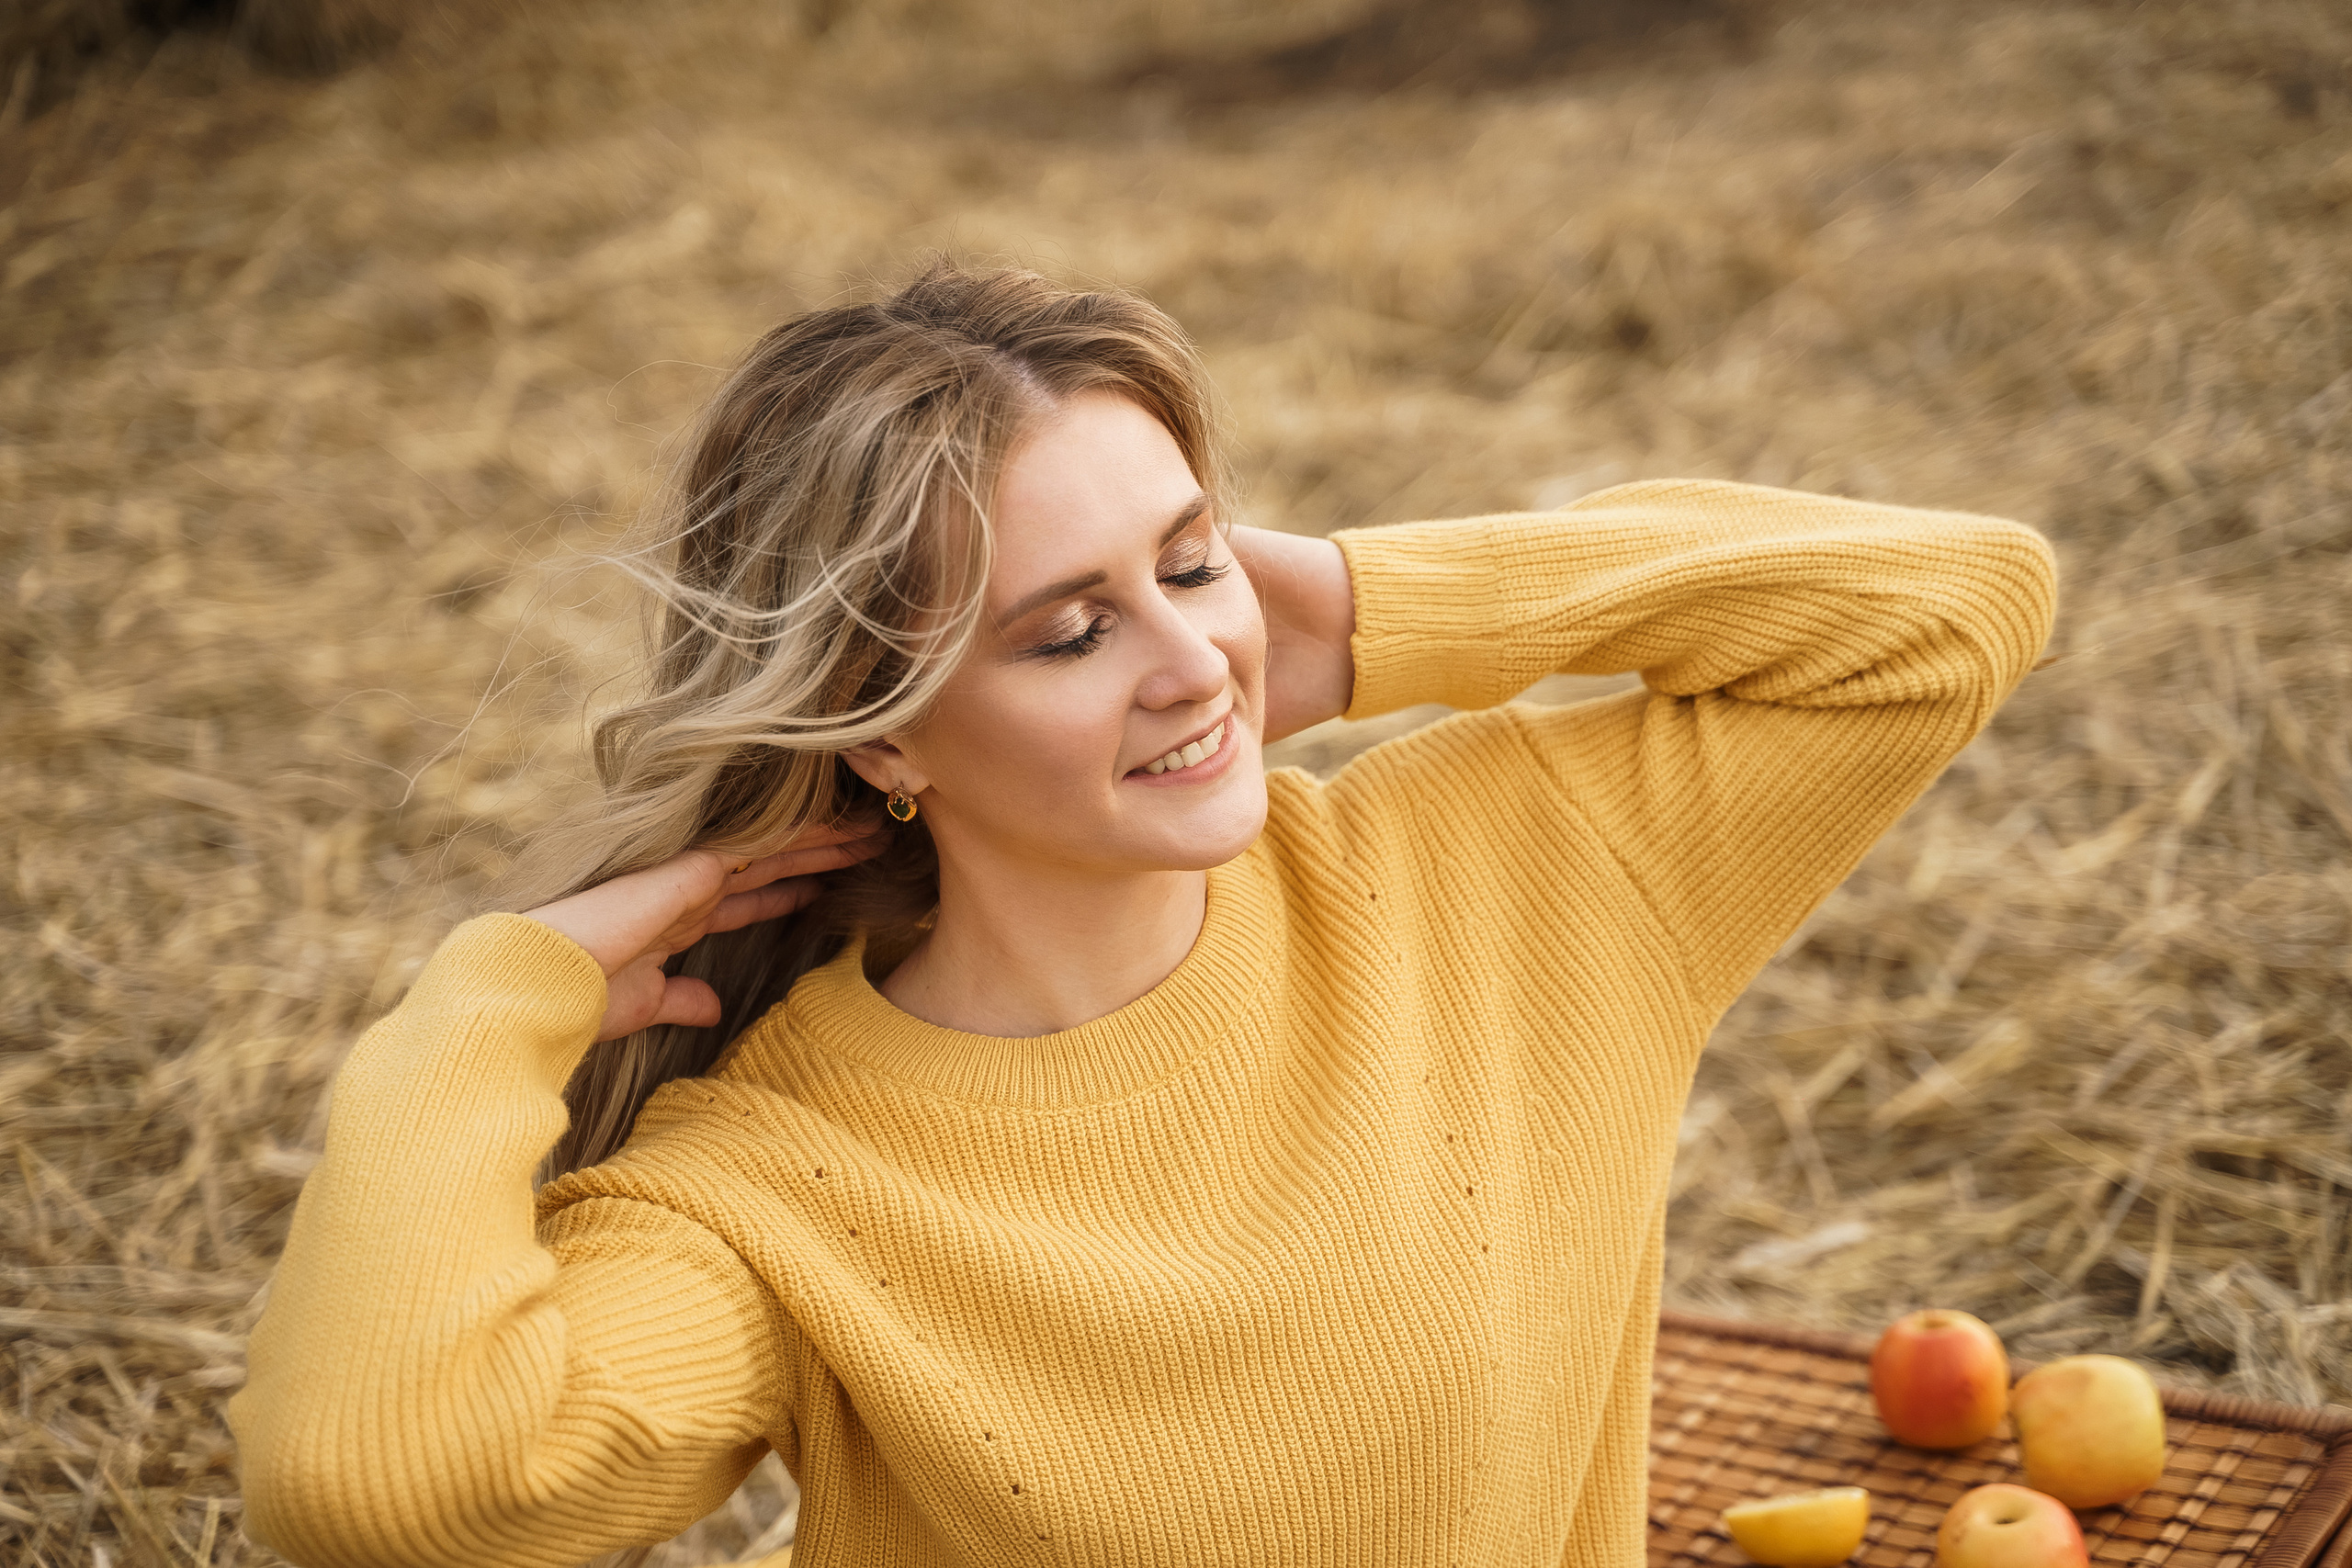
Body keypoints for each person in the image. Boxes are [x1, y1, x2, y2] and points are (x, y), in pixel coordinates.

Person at [227, 263, 2057, 1568]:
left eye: (1189, 556)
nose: (1194, 661)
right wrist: (489, 1001)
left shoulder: (1518, 867)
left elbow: (1953, 607)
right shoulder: (770, 1182)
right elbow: (379, 1491)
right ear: (880, 737)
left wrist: (1360, 606)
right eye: (1069, 626)